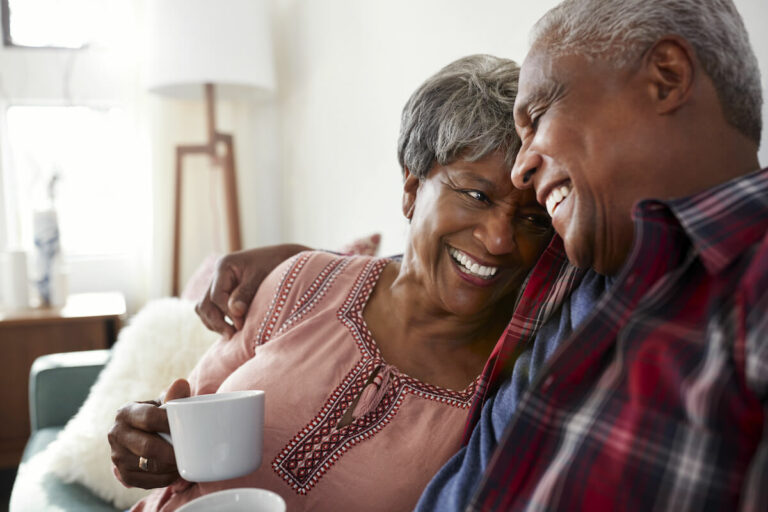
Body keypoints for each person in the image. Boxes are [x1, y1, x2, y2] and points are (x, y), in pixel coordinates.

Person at [199, 0, 768, 510]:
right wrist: (297, 267)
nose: (523, 167)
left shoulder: (742, 289)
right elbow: (419, 273)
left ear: (666, 78)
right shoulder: (581, 273)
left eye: (539, 114)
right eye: (477, 192)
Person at [108, 54, 555, 512]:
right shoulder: (302, 281)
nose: (501, 239)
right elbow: (181, 418)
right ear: (411, 186)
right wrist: (144, 441)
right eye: (476, 195)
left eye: (533, 219)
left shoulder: (510, 391)